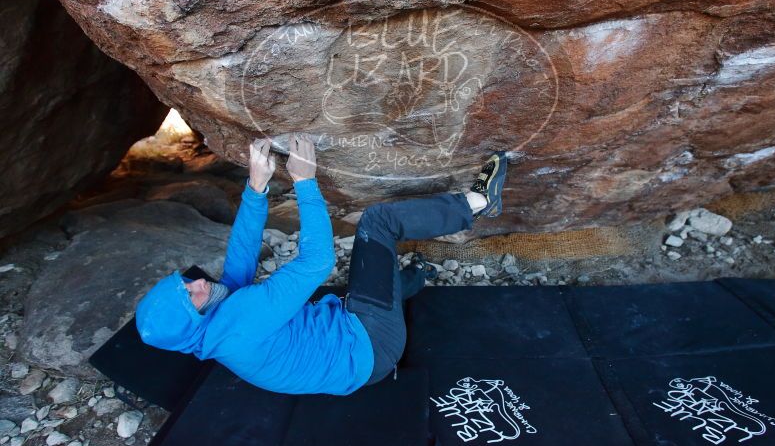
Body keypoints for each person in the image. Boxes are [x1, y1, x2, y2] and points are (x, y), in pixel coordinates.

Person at [135, 134, 508, 395]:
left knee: (361, 285)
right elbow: (317, 262)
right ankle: (477, 203)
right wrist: (305, 181)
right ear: (194, 323)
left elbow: (240, 260)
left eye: (186, 284)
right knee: (378, 224)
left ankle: (408, 282)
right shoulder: (240, 321)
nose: (198, 284)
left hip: (358, 354)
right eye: (193, 298)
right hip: (372, 344)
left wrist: (256, 187)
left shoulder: (216, 327)